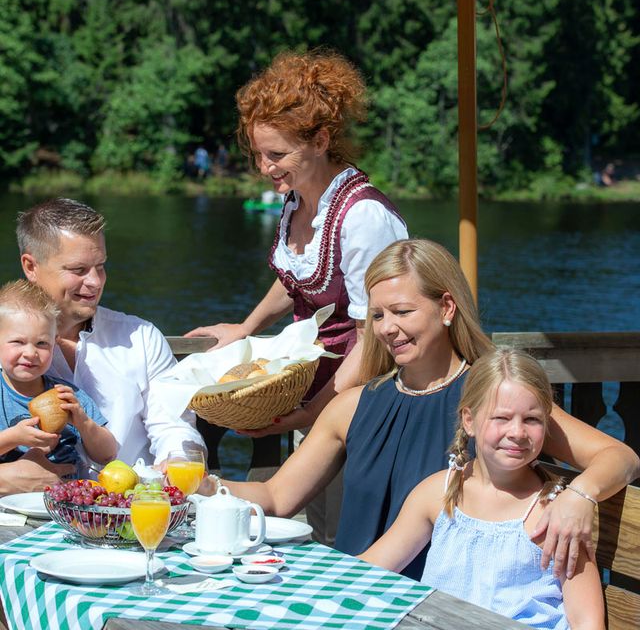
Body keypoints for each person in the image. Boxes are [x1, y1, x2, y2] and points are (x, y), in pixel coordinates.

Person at [197, 239, 640, 581]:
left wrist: (579, 496)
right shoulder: (352, 406)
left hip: (445, 611)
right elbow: (276, 497)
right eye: (377, 316)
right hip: (357, 598)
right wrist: (196, 484)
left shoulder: (494, 402)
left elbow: (621, 456)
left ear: (447, 307)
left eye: (403, 311)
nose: (388, 328)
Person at [186, 50, 408, 545]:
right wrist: (245, 328)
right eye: (257, 154)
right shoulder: (299, 200)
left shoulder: (362, 217)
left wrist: (316, 413)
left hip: (365, 404)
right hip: (324, 398)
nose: (264, 167)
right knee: (319, 530)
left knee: (354, 537)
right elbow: (295, 278)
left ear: (321, 141)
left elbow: (373, 335)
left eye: (276, 154)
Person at [359, 348, 604, 629]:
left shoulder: (555, 514)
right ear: (469, 420)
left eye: (532, 419)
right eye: (501, 418)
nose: (517, 432)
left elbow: (588, 620)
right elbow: (369, 569)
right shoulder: (438, 493)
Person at [12, 197, 206, 487]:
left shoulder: (140, 337)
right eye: (78, 270)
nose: (95, 282)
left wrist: (178, 461)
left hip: (126, 511)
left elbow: (174, 426)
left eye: (100, 266)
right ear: (31, 266)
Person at [0, 280, 116, 478]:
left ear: (55, 344)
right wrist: (13, 437)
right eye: (18, 342)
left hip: (64, 502)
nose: (30, 353)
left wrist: (83, 422)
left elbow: (107, 455)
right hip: (8, 503)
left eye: (42, 343)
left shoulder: (67, 395)